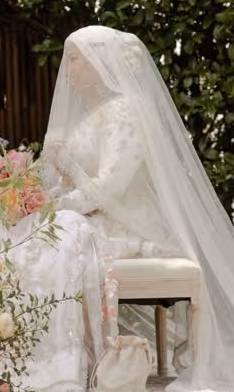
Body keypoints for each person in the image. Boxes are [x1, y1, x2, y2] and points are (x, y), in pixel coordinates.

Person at [42, 24, 234, 392]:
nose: (68, 71)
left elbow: (111, 184)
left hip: (126, 223)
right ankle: (61, 361)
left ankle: (70, 365)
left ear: (100, 62)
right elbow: (77, 180)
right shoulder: (93, 113)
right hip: (94, 216)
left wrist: (60, 205)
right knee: (40, 242)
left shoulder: (125, 110)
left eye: (76, 60)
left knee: (54, 247)